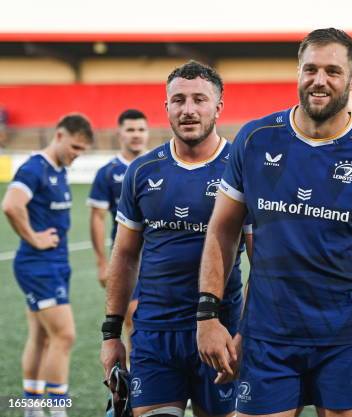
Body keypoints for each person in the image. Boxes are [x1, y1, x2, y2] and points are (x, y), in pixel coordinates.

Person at [196, 28, 352, 417]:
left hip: (346, 341)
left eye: (333, 71)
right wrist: (208, 315)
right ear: (298, 72)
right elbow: (222, 230)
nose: (319, 80)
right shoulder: (255, 139)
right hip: (268, 339)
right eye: (310, 69)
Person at [99, 61, 243, 417]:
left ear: (218, 107)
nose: (189, 109)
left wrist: (248, 334)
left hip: (220, 332)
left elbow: (265, 260)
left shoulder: (241, 168)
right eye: (178, 100)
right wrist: (111, 333)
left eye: (200, 99)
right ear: (166, 108)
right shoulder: (142, 171)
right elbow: (125, 255)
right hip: (154, 337)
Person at [2, 114, 94, 417]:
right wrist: (34, 238)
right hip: (39, 265)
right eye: (75, 147)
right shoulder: (34, 168)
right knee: (64, 335)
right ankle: (56, 409)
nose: (76, 155)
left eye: (82, 150)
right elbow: (11, 205)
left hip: (55, 265)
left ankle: (31, 406)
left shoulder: (58, 170)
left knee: (42, 336)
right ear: (59, 135)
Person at [87, 109, 149, 357]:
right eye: (130, 130)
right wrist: (102, 262)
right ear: (119, 133)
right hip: (128, 256)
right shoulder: (108, 172)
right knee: (132, 316)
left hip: (160, 255)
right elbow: (97, 217)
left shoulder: (157, 165)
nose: (136, 135)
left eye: (141, 130)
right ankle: (137, 377)